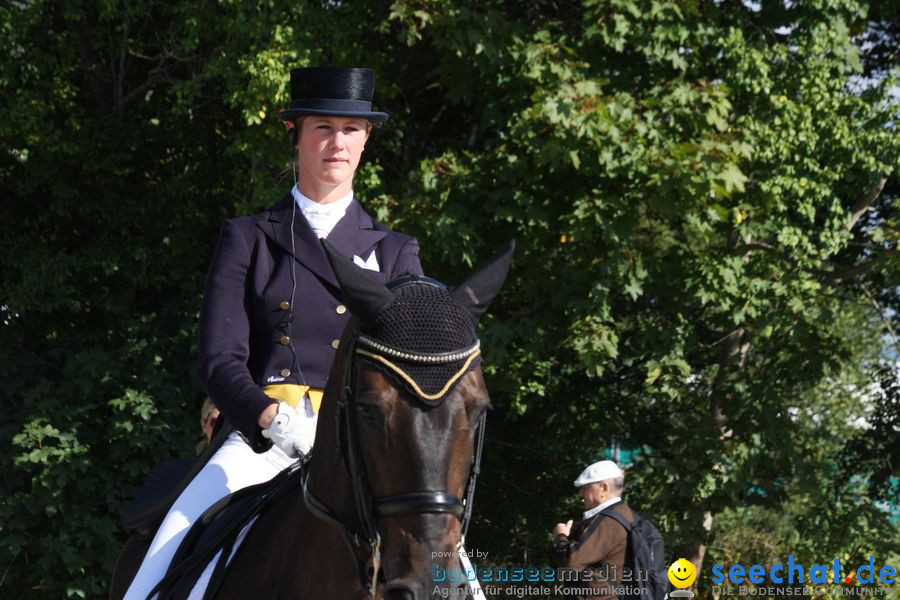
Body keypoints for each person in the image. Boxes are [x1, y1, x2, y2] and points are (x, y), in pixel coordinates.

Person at [124, 66, 423, 599]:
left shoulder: (394, 252)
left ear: (366, 139)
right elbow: (219, 360)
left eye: (351, 130)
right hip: (264, 436)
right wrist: (272, 418)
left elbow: (412, 365)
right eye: (323, 127)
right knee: (164, 555)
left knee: (455, 570)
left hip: (364, 442)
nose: (337, 142)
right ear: (296, 133)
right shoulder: (248, 238)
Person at [552, 460, 635, 600]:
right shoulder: (624, 514)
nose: (580, 494)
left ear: (603, 488)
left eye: (585, 487)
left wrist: (561, 536)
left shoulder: (609, 522)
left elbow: (572, 562)